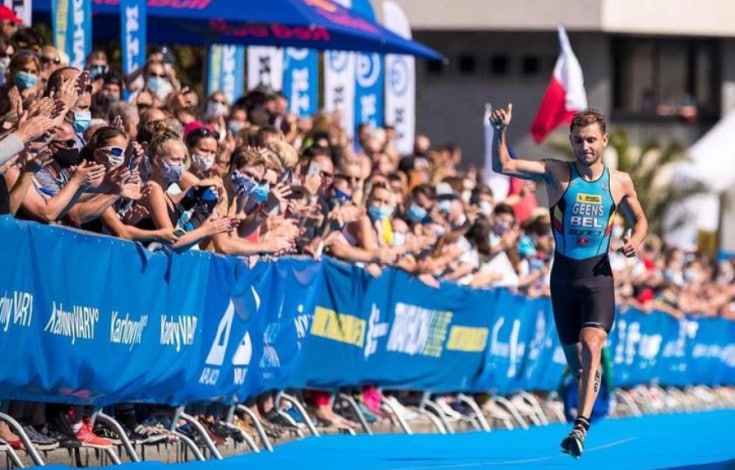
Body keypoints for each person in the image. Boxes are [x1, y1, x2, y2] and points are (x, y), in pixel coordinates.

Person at [489, 104, 648, 459]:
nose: (585, 147)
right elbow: (504, 166)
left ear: (604, 140)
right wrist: (499, 132)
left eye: (591, 140)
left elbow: (640, 219)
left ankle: (580, 428)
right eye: (578, 140)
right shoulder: (556, 173)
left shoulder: (619, 181)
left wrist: (636, 239)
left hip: (598, 278)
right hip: (562, 280)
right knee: (578, 364)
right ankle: (588, 385)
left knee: (593, 343)